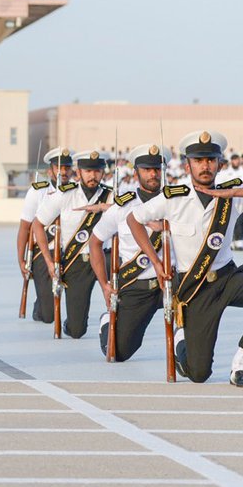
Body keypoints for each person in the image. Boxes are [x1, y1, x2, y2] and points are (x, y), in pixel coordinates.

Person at [127, 131, 243, 387]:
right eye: (198, 161)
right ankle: (181, 341)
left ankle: (241, 367)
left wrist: (233, 194)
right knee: (198, 374)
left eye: (211, 160)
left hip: (227, 277)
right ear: (187, 164)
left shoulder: (231, 196)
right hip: (195, 288)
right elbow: (134, 219)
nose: (205, 166)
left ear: (220, 164)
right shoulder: (172, 197)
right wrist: (155, 262)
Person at [86, 144, 171, 361]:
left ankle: (183, 354)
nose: (153, 174)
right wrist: (104, 284)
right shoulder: (122, 207)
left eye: (157, 169)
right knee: (118, 352)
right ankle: (107, 322)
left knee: (189, 314)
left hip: (172, 281)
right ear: (136, 173)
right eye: (146, 169)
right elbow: (95, 242)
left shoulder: (178, 203)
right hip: (136, 285)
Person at [32, 149, 111, 338]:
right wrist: (49, 262)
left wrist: (101, 207)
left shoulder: (112, 195)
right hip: (78, 262)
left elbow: (133, 211)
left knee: (122, 299)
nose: (93, 175)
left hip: (106, 259)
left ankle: (110, 323)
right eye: (88, 171)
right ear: (79, 172)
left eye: (97, 171)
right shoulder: (65, 194)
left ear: (103, 172)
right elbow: (37, 224)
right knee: (77, 330)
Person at [17, 148, 73, 323]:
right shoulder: (38, 192)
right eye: (58, 167)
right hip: (44, 252)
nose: (63, 172)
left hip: (69, 251)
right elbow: (25, 227)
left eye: (66, 167)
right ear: (50, 171)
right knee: (48, 317)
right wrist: (21, 259)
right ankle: (40, 305)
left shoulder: (76, 192)